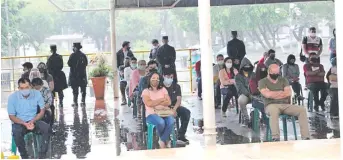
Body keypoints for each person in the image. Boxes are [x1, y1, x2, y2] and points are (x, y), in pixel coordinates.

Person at [258, 64, 310, 141]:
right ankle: (276, 136)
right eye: (274, 73)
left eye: (277, 73)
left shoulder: (283, 80)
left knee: (301, 110)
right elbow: (267, 95)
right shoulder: (262, 82)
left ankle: (305, 136)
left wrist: (273, 93)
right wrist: (281, 92)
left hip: (285, 104)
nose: (275, 75)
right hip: (271, 105)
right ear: (269, 72)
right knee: (273, 111)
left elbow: (288, 93)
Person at [8, 78, 51, 159]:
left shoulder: (37, 94)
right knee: (16, 132)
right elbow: (11, 116)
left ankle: (42, 155)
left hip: (34, 120)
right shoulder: (12, 98)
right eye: (22, 88)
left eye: (27, 87)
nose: (24, 90)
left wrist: (33, 120)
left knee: (47, 128)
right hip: (20, 122)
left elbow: (42, 110)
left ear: (31, 86)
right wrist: (24, 123)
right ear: (18, 88)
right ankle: (24, 156)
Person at [141, 72, 174, 148]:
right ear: (149, 79)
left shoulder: (163, 89)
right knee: (161, 122)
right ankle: (165, 139)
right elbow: (149, 104)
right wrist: (161, 100)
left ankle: (162, 139)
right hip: (151, 114)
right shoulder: (145, 91)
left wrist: (155, 103)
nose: (155, 80)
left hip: (163, 112)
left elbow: (168, 102)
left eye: (157, 79)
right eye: (153, 78)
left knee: (171, 121)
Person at [163, 68, 191, 144]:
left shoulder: (176, 86)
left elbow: (179, 100)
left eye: (171, 77)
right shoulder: (160, 87)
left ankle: (181, 135)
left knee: (186, 112)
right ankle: (167, 136)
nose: (170, 79)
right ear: (163, 76)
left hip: (174, 107)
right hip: (163, 108)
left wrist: (174, 110)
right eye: (168, 77)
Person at [234, 57, 255, 126]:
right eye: (245, 66)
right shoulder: (238, 76)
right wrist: (249, 94)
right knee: (241, 100)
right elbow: (240, 88)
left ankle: (262, 118)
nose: (247, 67)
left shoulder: (254, 74)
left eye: (248, 66)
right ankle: (246, 119)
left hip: (255, 95)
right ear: (242, 67)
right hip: (245, 95)